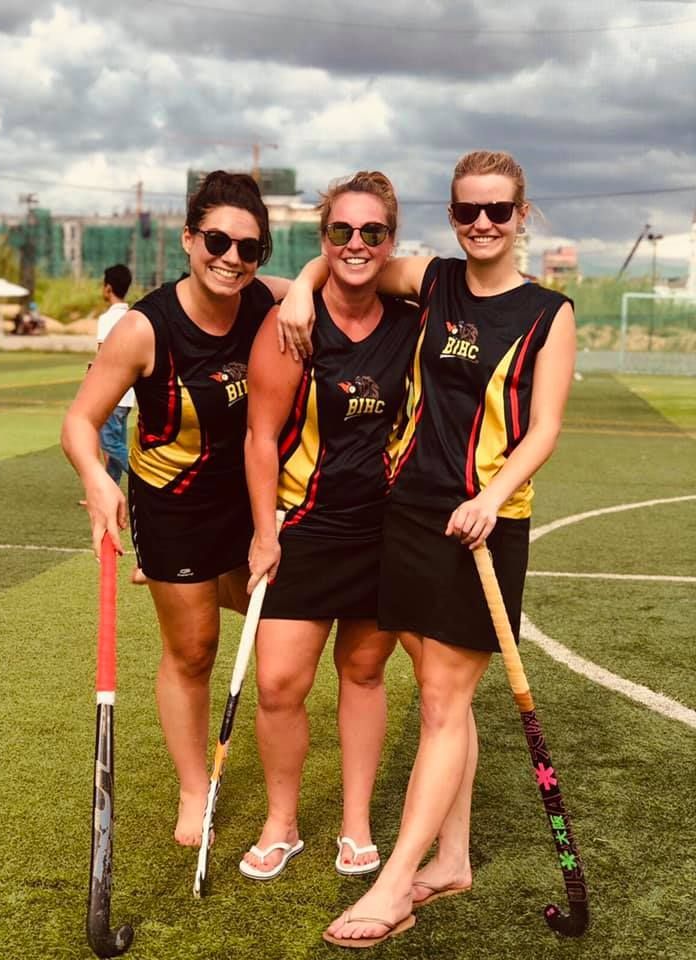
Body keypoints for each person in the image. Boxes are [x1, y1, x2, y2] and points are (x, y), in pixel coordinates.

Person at [279, 150, 576, 946]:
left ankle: (394, 887)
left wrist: (488, 496)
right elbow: (352, 255)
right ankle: (450, 859)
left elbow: (544, 425)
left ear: (521, 215)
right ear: (452, 217)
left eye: (499, 211)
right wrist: (304, 291)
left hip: (481, 526)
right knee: (449, 700)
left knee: (443, 704)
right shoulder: (434, 280)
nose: (483, 224)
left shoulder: (549, 312)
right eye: (468, 211)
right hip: (405, 516)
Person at [61, 171, 294, 846]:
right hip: (176, 506)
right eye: (217, 240)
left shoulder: (263, 300)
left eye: (249, 249)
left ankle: (178, 584)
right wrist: (97, 477)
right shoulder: (144, 328)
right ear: (189, 238)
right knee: (193, 650)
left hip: (251, 501)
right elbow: (81, 420)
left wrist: (305, 289)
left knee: (277, 627)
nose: (231, 258)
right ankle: (195, 788)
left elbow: (327, 281)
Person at [240, 172, 419, 881]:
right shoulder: (292, 324)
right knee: (280, 683)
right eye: (340, 231)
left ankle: (355, 823)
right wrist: (262, 533)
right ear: (323, 236)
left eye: (372, 232)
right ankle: (281, 824)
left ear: (390, 241)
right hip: (304, 527)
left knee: (365, 673)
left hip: (385, 531)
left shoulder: (410, 319)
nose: (356, 243)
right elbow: (260, 437)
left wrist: (310, 276)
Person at [96, 264, 134, 487]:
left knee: (109, 443)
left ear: (108, 288)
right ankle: (109, 489)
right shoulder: (132, 316)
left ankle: (144, 478)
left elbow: (102, 357)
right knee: (117, 440)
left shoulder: (107, 319)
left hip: (111, 392)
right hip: (128, 393)